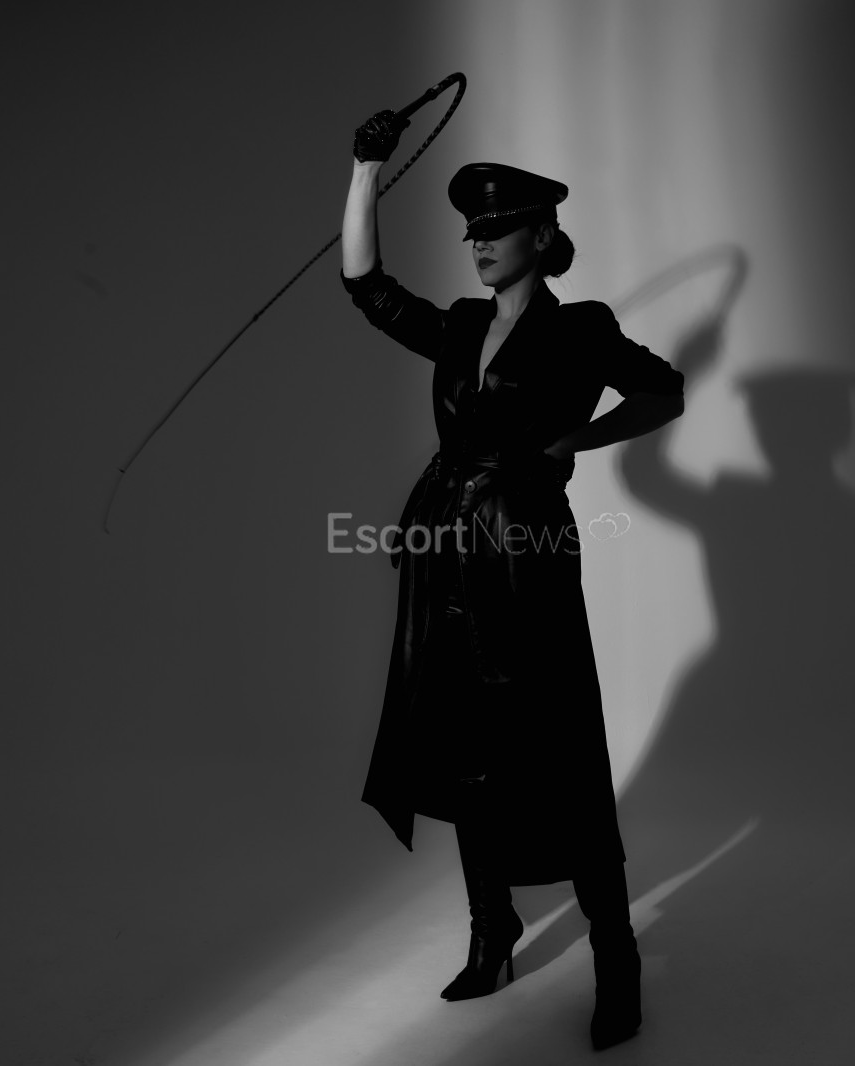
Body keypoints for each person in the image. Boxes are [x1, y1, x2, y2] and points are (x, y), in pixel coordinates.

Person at [341, 108, 687, 1051]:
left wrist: (581, 437)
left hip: (524, 549)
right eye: (472, 231)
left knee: (559, 740)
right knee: (466, 740)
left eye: (497, 228)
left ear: (542, 233)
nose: (480, 243)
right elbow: (366, 285)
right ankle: (491, 931)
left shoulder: (582, 329)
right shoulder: (457, 327)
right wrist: (367, 167)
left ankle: (615, 952)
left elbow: (665, 390)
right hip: (443, 549)